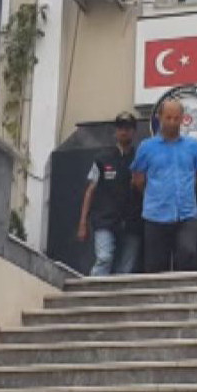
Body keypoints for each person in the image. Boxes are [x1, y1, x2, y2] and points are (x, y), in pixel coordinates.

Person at [131, 98, 197, 273]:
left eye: (176, 118)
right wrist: (153, 194)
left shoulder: (194, 146)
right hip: (155, 215)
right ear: (159, 117)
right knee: (156, 265)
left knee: (188, 255)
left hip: (186, 214)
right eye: (168, 118)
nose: (172, 122)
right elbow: (137, 178)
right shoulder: (146, 147)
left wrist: (191, 189)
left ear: (182, 119)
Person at [76, 112, 143, 276]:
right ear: (115, 131)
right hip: (105, 220)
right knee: (104, 258)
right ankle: (93, 289)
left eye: (127, 128)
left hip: (132, 221)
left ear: (134, 132)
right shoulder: (102, 158)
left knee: (126, 269)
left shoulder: (141, 158)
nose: (124, 132)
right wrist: (83, 223)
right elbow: (90, 190)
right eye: (120, 128)